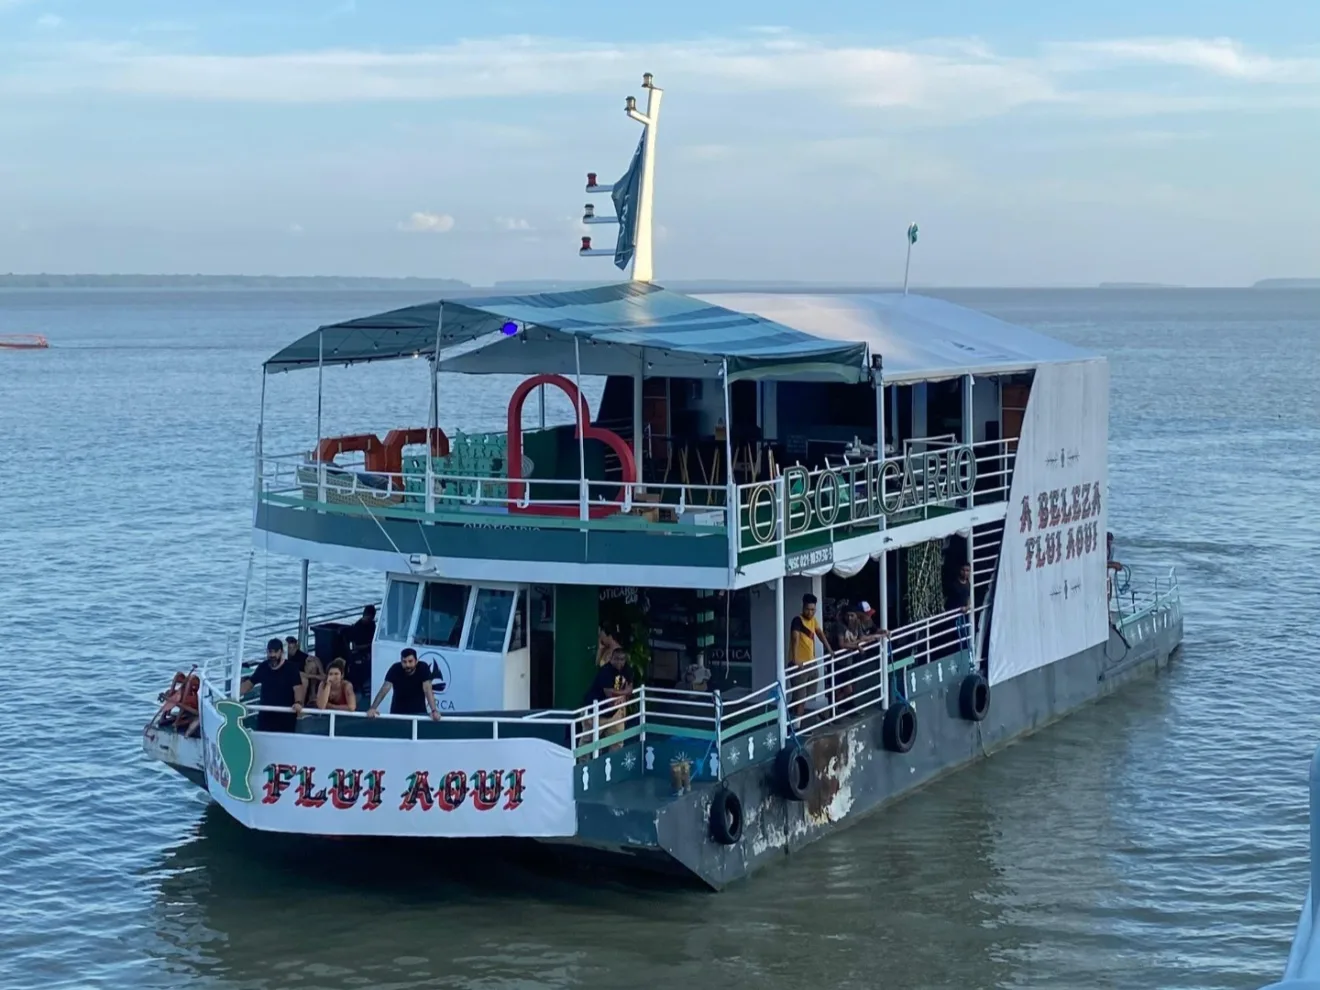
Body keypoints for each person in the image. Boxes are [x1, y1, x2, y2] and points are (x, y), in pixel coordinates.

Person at [240, 637, 306, 733]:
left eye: (275, 652)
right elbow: (250, 683)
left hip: (285, 715)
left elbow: (298, 688)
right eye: (270, 652)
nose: (272, 655)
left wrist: (298, 702)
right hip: (265, 714)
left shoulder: (291, 668)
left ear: (281, 652)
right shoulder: (263, 667)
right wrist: (235, 693)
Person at [367, 647, 440, 720]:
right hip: (397, 714)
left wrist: (434, 710)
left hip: (419, 713)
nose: (407, 665)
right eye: (404, 662)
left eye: (410, 661)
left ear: (416, 661)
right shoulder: (395, 669)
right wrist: (373, 708)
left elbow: (427, 689)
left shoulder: (423, 667)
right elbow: (384, 689)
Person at [789, 594, 831, 720]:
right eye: (808, 609)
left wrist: (829, 649)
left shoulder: (813, 621)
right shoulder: (797, 620)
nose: (810, 612)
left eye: (813, 610)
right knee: (800, 699)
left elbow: (820, 634)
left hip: (811, 663)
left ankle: (789, 713)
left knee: (805, 696)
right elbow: (795, 639)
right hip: (799, 665)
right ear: (803, 607)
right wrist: (796, 659)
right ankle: (797, 727)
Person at [583, 648, 635, 751]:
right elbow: (609, 693)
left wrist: (624, 695)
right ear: (611, 659)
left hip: (614, 713)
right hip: (596, 713)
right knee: (587, 743)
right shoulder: (605, 671)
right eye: (617, 659)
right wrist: (625, 692)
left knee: (617, 742)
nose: (619, 662)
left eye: (622, 659)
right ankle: (583, 765)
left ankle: (614, 765)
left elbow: (630, 687)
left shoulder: (627, 669)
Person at [286, 635, 324, 701]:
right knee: (304, 679)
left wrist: (322, 673)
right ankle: (301, 702)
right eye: (289, 648)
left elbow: (315, 659)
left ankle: (312, 694)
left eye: (293, 648)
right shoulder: (285, 659)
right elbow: (298, 673)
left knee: (313, 665)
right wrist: (316, 676)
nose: (291, 650)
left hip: (303, 674)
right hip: (292, 677)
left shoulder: (299, 654)